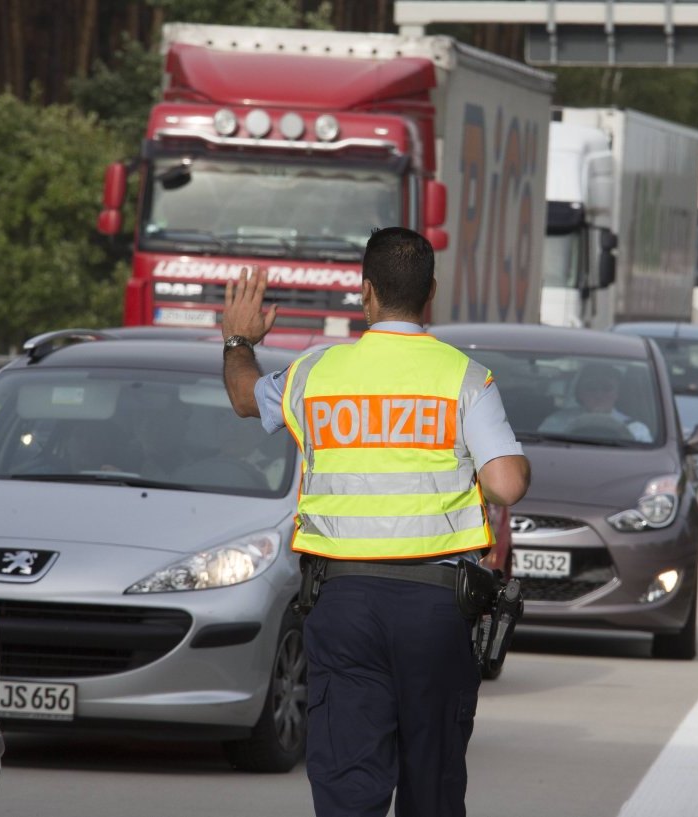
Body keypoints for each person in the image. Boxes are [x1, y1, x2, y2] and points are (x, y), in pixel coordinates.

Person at [220, 227, 530, 817]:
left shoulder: (316, 374)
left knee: (348, 786)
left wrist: (239, 338)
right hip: (435, 613)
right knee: (433, 788)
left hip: (344, 604)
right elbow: (506, 483)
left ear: (366, 293)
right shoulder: (463, 378)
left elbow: (242, 395)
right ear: (430, 293)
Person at [539, 361, 652, 442]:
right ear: (580, 393)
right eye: (591, 388)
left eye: (607, 388)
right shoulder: (556, 423)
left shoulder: (637, 430)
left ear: (617, 394)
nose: (599, 394)